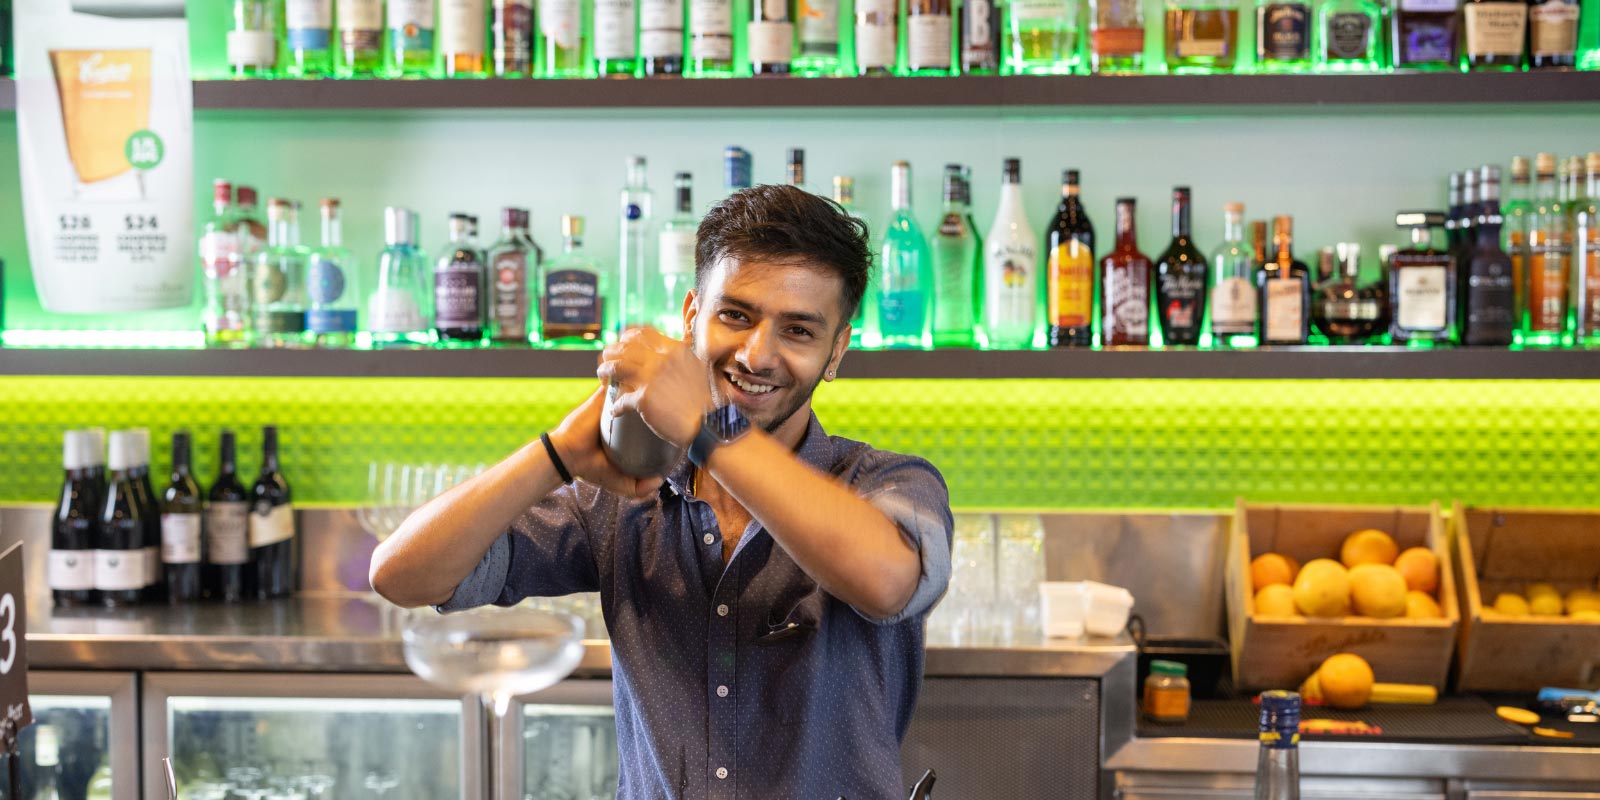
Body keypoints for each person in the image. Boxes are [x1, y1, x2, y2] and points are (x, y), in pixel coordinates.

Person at [370, 184, 954, 800]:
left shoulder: (888, 483)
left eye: (799, 331)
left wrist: (706, 424)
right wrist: (559, 452)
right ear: (691, 317)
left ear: (837, 351)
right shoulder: (627, 491)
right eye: (736, 315)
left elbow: (888, 582)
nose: (758, 354)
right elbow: (402, 576)